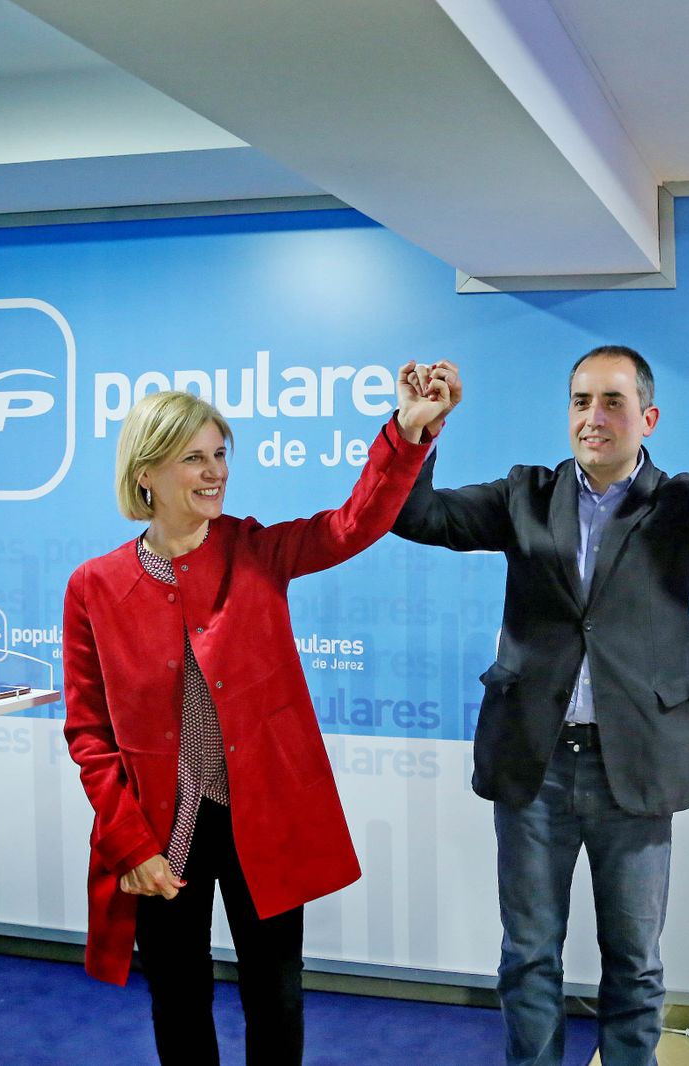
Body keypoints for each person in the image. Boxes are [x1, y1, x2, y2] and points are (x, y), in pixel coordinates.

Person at [390, 344, 689, 1065]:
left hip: (634, 767)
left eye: (612, 401)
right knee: (527, 956)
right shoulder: (524, 494)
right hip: (535, 764)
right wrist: (416, 431)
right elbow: (415, 515)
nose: (593, 417)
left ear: (649, 417)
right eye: (581, 401)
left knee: (635, 964)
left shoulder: (680, 506)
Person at [61, 365, 455, 1064]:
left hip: (260, 817)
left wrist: (407, 433)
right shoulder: (94, 586)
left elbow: (352, 524)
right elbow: (89, 734)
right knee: (178, 995)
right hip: (161, 830)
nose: (214, 473)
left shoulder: (256, 548)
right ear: (146, 471)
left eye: (221, 455)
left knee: (274, 992)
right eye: (195, 458)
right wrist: (133, 846)